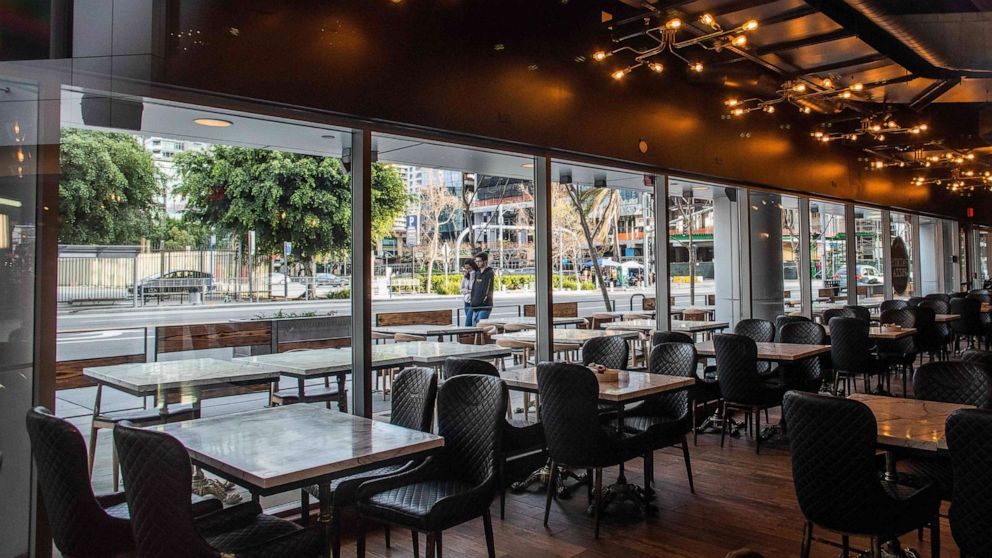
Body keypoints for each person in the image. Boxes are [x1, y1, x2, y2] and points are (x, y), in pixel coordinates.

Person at [470, 252, 495, 325]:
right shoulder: (477, 273)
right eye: (476, 261)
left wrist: (483, 301)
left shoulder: (489, 273)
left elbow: (487, 289)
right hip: (475, 306)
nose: (477, 263)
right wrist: (472, 301)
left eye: (479, 261)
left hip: (484, 306)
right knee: (474, 329)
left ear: (485, 261)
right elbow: (474, 289)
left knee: (481, 328)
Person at [459, 259, 479, 326]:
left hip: (474, 301)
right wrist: (469, 291)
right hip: (466, 301)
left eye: (469, 268)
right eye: (466, 268)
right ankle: (471, 335)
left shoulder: (477, 275)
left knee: (468, 321)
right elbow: (461, 289)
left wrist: (472, 274)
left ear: (473, 266)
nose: (468, 270)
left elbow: (476, 289)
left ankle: (470, 334)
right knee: (469, 320)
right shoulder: (465, 276)